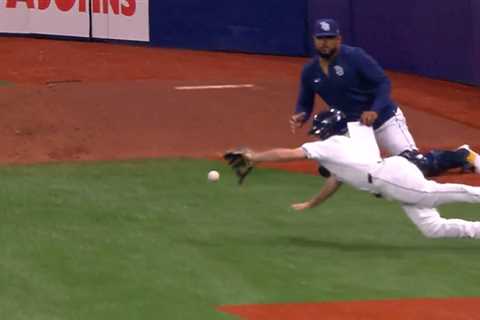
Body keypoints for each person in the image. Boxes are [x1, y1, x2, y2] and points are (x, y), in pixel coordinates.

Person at [229, 109, 480, 239]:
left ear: (327, 130)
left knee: (438, 194)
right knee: (433, 228)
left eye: (319, 131)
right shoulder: (351, 141)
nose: (318, 135)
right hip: (393, 177)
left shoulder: (329, 145)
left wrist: (255, 157)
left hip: (391, 179)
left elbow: (287, 154)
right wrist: (312, 202)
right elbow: (335, 180)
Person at [290, 18, 417, 156]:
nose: (325, 42)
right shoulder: (310, 70)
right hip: (355, 128)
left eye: (330, 38)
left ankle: (440, 160)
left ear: (339, 39)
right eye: (321, 38)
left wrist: (374, 110)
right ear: (314, 40)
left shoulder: (355, 57)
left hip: (385, 121)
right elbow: (305, 101)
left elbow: (383, 83)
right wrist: (301, 115)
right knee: (358, 172)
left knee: (413, 162)